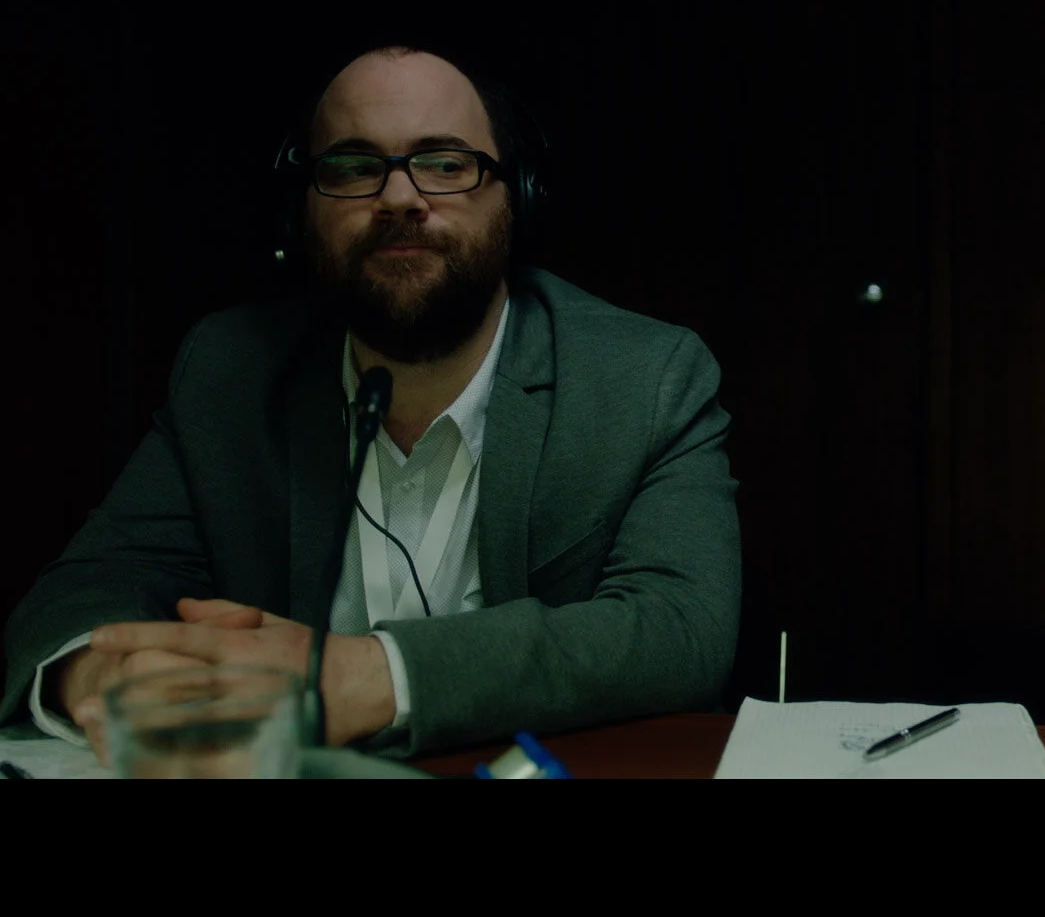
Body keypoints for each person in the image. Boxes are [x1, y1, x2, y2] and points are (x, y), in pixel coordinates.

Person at [1, 45, 742, 762]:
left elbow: (680, 629)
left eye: (444, 163)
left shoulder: (644, 376)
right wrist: (114, 679)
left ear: (517, 197)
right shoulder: (229, 373)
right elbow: (84, 590)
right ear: (302, 211)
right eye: (354, 167)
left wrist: (373, 677)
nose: (398, 198)